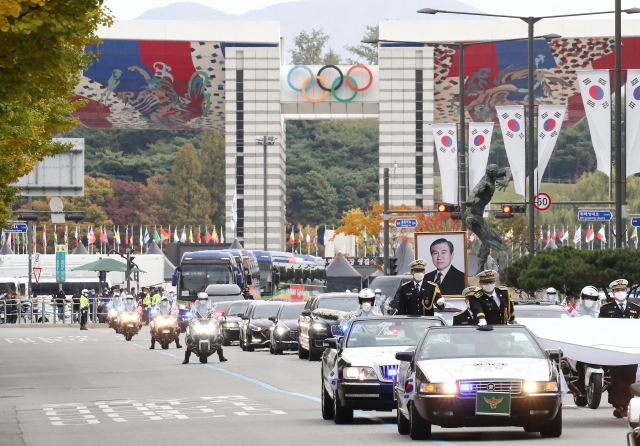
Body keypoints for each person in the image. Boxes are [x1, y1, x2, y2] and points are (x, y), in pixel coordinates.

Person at [599, 279, 640, 418]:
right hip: (615, 349)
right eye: (618, 290)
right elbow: (601, 329)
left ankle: (628, 404)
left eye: (623, 290)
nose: (621, 293)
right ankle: (618, 405)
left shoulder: (635, 308)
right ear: (613, 293)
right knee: (617, 378)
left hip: (630, 349)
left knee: (630, 377)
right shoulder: (606, 309)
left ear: (626, 291)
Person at [183, 292, 227, 364]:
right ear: (198, 299)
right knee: (190, 340)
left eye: (204, 299)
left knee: (217, 339)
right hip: (198, 323)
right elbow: (191, 315)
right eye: (201, 299)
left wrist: (218, 318)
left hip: (208, 323)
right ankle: (186, 359)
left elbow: (214, 315)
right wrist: (189, 319)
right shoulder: (195, 307)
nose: (203, 301)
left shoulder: (211, 307)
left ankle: (221, 357)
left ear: (207, 299)